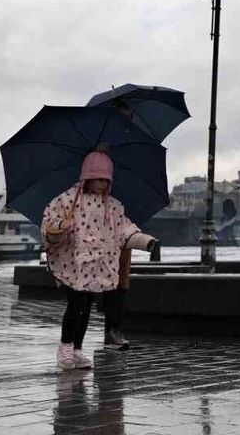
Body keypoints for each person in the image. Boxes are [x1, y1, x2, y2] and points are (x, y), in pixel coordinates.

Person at [43, 145, 157, 370]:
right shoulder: (68, 200)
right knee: (74, 305)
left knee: (86, 307)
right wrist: (59, 227)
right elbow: (49, 221)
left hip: (96, 265)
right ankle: (65, 347)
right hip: (73, 262)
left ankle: (77, 349)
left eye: (107, 180)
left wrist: (143, 240)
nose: (103, 184)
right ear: (88, 177)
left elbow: (123, 228)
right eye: (99, 179)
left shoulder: (112, 206)